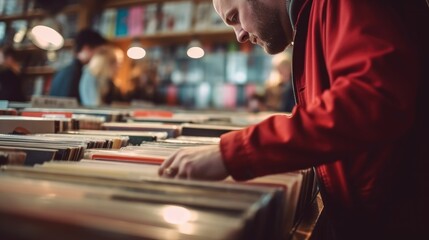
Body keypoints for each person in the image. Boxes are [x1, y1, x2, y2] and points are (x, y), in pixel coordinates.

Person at [159, 0, 429, 239]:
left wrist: (231, 153)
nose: (239, 34)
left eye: (234, 17)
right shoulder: (312, 19)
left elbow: (373, 102)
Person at [49, 28, 107, 103]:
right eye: (100, 52)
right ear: (86, 49)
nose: (101, 57)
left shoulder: (62, 71)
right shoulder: (81, 74)